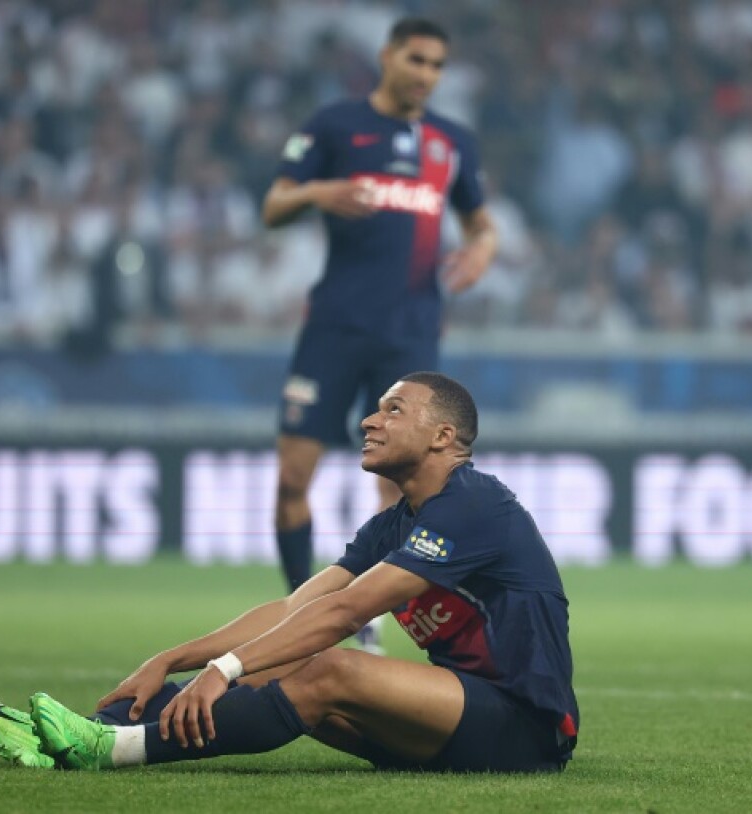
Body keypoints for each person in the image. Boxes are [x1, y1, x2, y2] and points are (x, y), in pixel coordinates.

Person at [0, 372, 578, 773]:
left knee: (331, 667)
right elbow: (295, 611)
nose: (370, 421)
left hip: (524, 728)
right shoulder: (394, 524)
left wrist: (222, 671)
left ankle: (113, 751)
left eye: (393, 410)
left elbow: (343, 616)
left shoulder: (474, 504)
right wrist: (170, 659)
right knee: (283, 656)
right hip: (458, 719)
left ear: (444, 436)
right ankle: (72, 735)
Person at [260, 18, 498, 653]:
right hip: (334, 327)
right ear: (388, 56)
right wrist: (318, 190)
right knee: (291, 480)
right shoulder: (335, 125)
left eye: (436, 65)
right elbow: (273, 205)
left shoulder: (451, 142)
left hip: (409, 335)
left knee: (401, 491)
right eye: (416, 59)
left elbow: (481, 223)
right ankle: (297, 625)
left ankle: (370, 630)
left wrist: (483, 247)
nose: (426, 74)